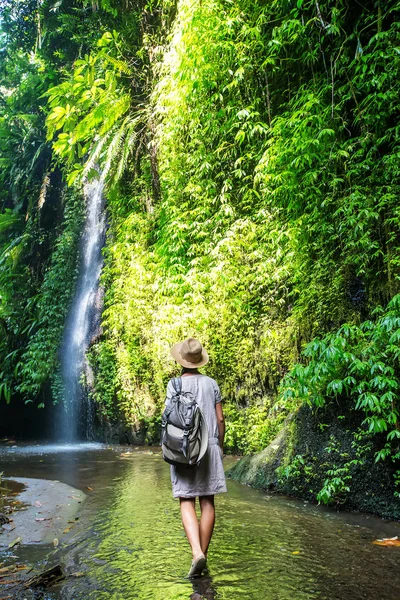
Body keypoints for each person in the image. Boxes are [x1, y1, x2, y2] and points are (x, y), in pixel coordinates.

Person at [166, 337, 227, 578]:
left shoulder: (174, 385)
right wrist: (219, 447)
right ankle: (203, 554)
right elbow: (220, 420)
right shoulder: (212, 384)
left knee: (185, 499)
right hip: (209, 447)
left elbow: (167, 418)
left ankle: (196, 553)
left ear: (181, 360)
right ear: (199, 360)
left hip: (183, 447)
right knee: (207, 500)